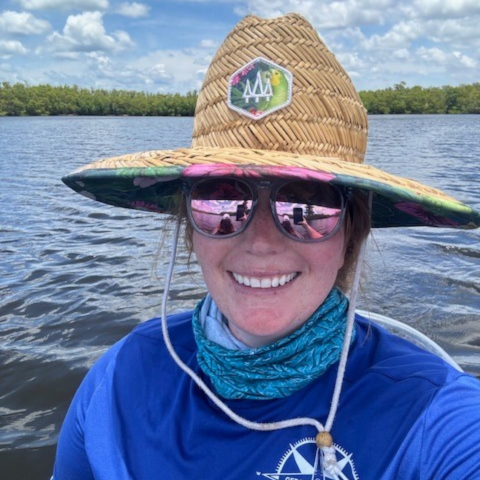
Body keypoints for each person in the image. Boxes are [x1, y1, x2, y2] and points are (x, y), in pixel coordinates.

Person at [54, 13, 480, 480]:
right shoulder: (118, 379)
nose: (259, 242)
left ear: (352, 232)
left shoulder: (435, 416)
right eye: (222, 201)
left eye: (308, 206)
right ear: (189, 229)